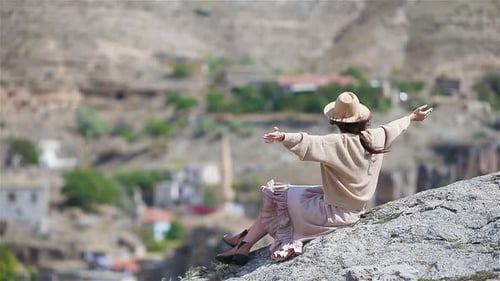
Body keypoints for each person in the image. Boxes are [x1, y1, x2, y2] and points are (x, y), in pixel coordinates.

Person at [215, 91, 433, 266]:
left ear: (335, 122)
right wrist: (412, 117)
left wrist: (282, 136)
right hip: (354, 211)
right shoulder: (377, 136)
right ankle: (242, 242)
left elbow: (306, 141)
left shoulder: (336, 143)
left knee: (276, 196)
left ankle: (243, 242)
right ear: (365, 118)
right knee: (283, 194)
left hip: (330, 214)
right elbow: (395, 126)